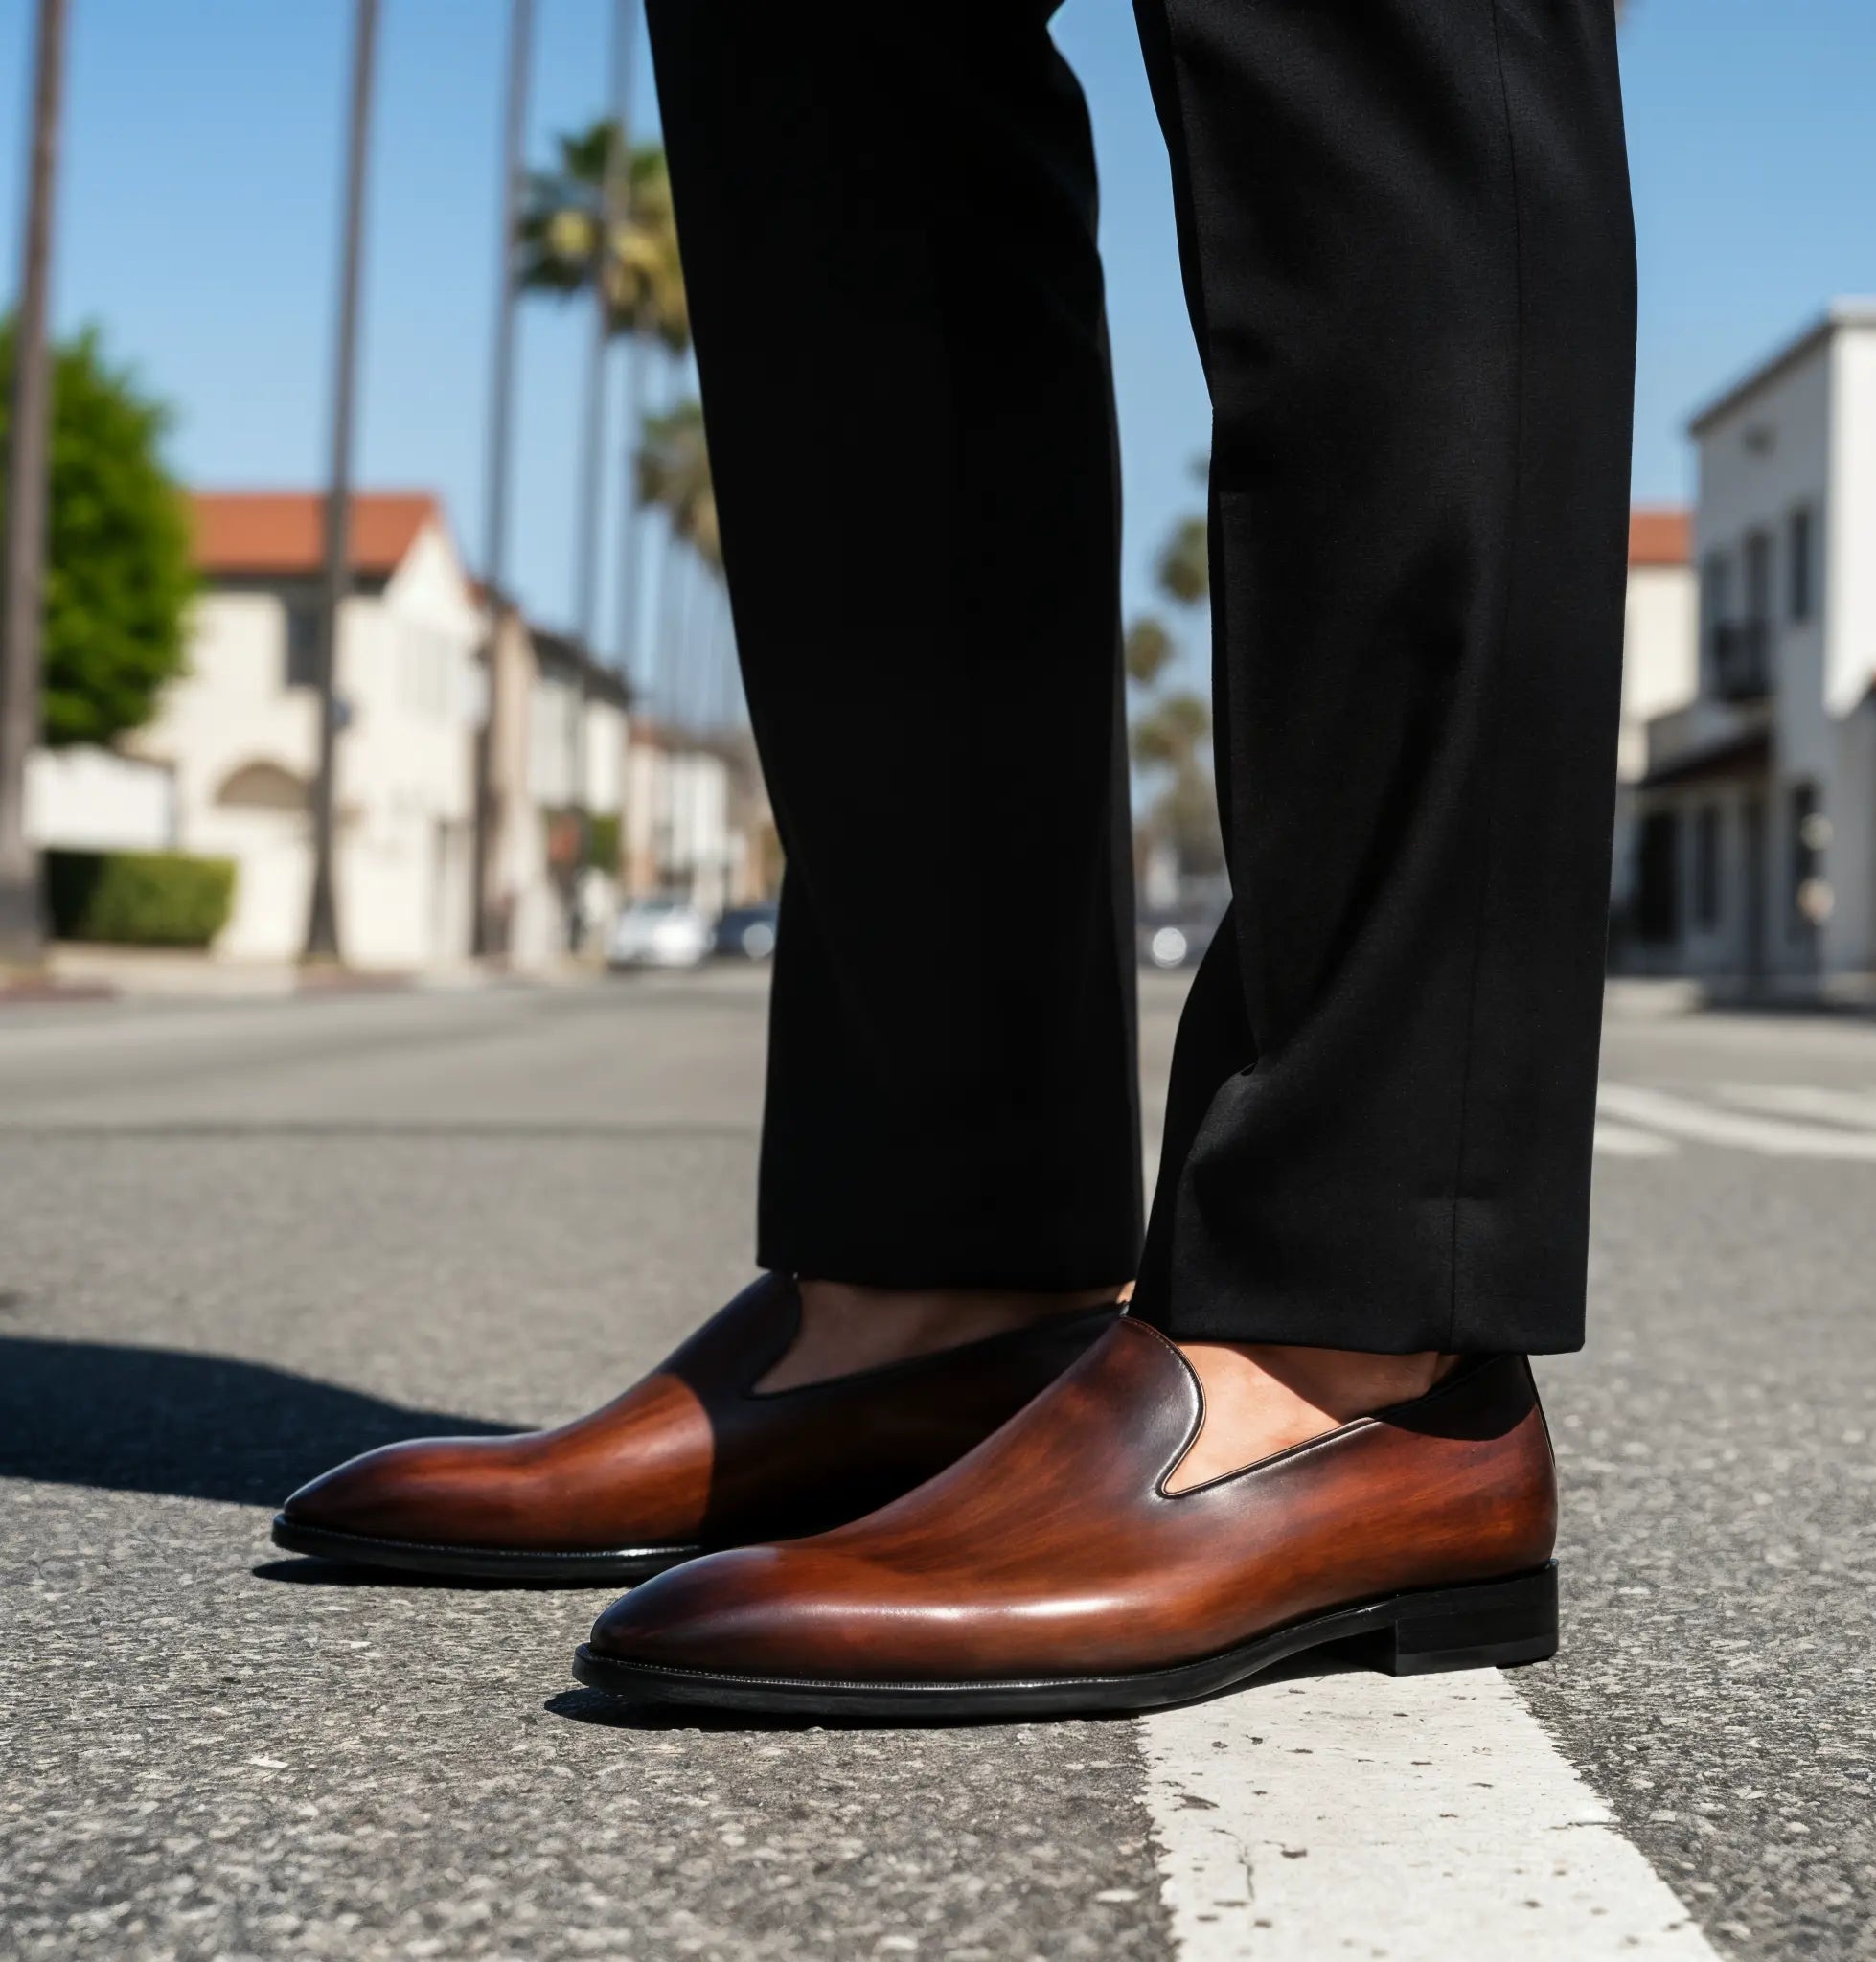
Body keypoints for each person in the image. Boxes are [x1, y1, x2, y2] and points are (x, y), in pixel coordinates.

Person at [277, 0, 1636, 1720]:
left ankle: (1359, 1332)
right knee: (830, 78)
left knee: (1358, 41)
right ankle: (935, 1279)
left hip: (1358, 1324)